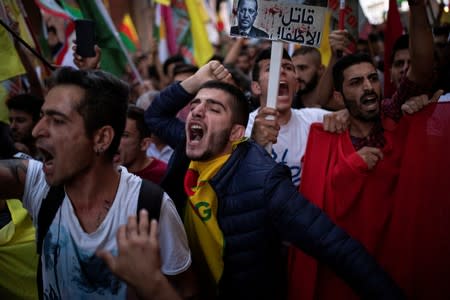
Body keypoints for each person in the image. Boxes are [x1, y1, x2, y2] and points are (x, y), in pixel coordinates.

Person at [145, 60, 404, 299]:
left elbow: (334, 245)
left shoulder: (264, 180)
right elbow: (154, 116)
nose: (197, 113)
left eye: (214, 109)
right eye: (194, 105)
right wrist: (196, 79)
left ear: (237, 132)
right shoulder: (185, 148)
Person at [0, 67, 193, 299]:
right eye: (42, 117)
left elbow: (188, 291)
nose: (37, 131)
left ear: (102, 138)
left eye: (58, 121)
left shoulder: (149, 206)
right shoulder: (38, 184)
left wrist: (151, 284)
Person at [288, 1, 436, 299]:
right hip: (343, 273)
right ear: (339, 97)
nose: (368, 87)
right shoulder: (324, 134)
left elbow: (422, 68)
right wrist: (352, 165)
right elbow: (316, 205)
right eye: (356, 82)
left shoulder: (394, 116)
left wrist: (417, 7)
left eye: (372, 78)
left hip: (396, 266)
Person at [245, 48, 332, 187]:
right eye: (270, 68)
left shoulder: (315, 118)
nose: (281, 71)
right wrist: (255, 143)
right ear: (256, 87)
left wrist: (345, 115)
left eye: (288, 67)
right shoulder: (242, 127)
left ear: (296, 85)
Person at [116, 105, 167, 184]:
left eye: (124, 135)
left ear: (144, 144)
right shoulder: (105, 171)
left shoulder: (162, 176)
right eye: (114, 133)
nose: (114, 140)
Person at [6, 94, 44, 158]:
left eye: (20, 120)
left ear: (37, 122)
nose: (12, 126)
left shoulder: (51, 152)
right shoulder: (6, 148)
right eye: (11, 120)